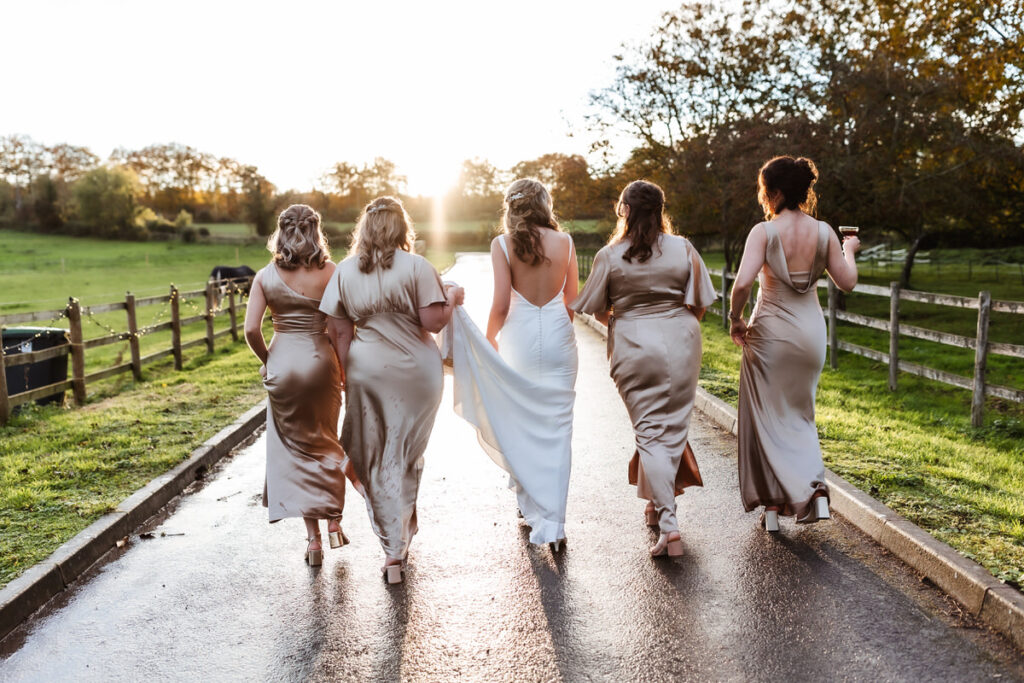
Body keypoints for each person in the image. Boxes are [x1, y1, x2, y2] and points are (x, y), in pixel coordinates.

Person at [319, 196, 463, 584]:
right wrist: (451, 298)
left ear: (363, 229)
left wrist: (351, 376)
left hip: (369, 372)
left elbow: (339, 331)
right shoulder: (418, 267)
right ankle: (399, 540)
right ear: (403, 228)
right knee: (407, 456)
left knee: (378, 458)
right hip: (418, 374)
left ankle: (392, 551)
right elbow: (433, 323)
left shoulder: (346, 272)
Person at [573, 180, 717, 557]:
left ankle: (669, 527)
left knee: (650, 433)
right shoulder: (683, 248)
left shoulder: (610, 255)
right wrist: (677, 325)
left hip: (633, 344)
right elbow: (700, 303)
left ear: (624, 210)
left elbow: (593, 307)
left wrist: (626, 322)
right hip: (681, 340)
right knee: (670, 430)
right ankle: (658, 508)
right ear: (660, 210)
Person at [728, 156, 860, 531]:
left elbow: (741, 285)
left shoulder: (764, 232)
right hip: (810, 334)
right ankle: (814, 493)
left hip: (770, 334)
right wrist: (850, 250)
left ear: (777, 192)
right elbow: (846, 282)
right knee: (801, 416)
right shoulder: (824, 233)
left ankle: (773, 505)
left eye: (765, 190)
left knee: (766, 419)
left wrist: (736, 319)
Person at [448, 178, 578, 551]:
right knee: (559, 428)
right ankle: (555, 523)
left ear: (512, 207)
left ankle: (529, 503)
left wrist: (488, 340)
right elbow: (571, 302)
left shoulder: (502, 244)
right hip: (558, 339)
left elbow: (501, 305)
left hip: (519, 338)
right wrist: (555, 335)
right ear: (544, 205)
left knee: (519, 419)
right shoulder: (566, 242)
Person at [243, 204, 353, 567]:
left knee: (296, 451)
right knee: (326, 441)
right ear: (316, 231)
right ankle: (334, 519)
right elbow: (339, 328)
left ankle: (314, 542)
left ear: (281, 232)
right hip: (321, 363)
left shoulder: (265, 275)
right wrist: (345, 371)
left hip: (283, 363)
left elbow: (250, 330)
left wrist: (268, 361)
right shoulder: (331, 272)